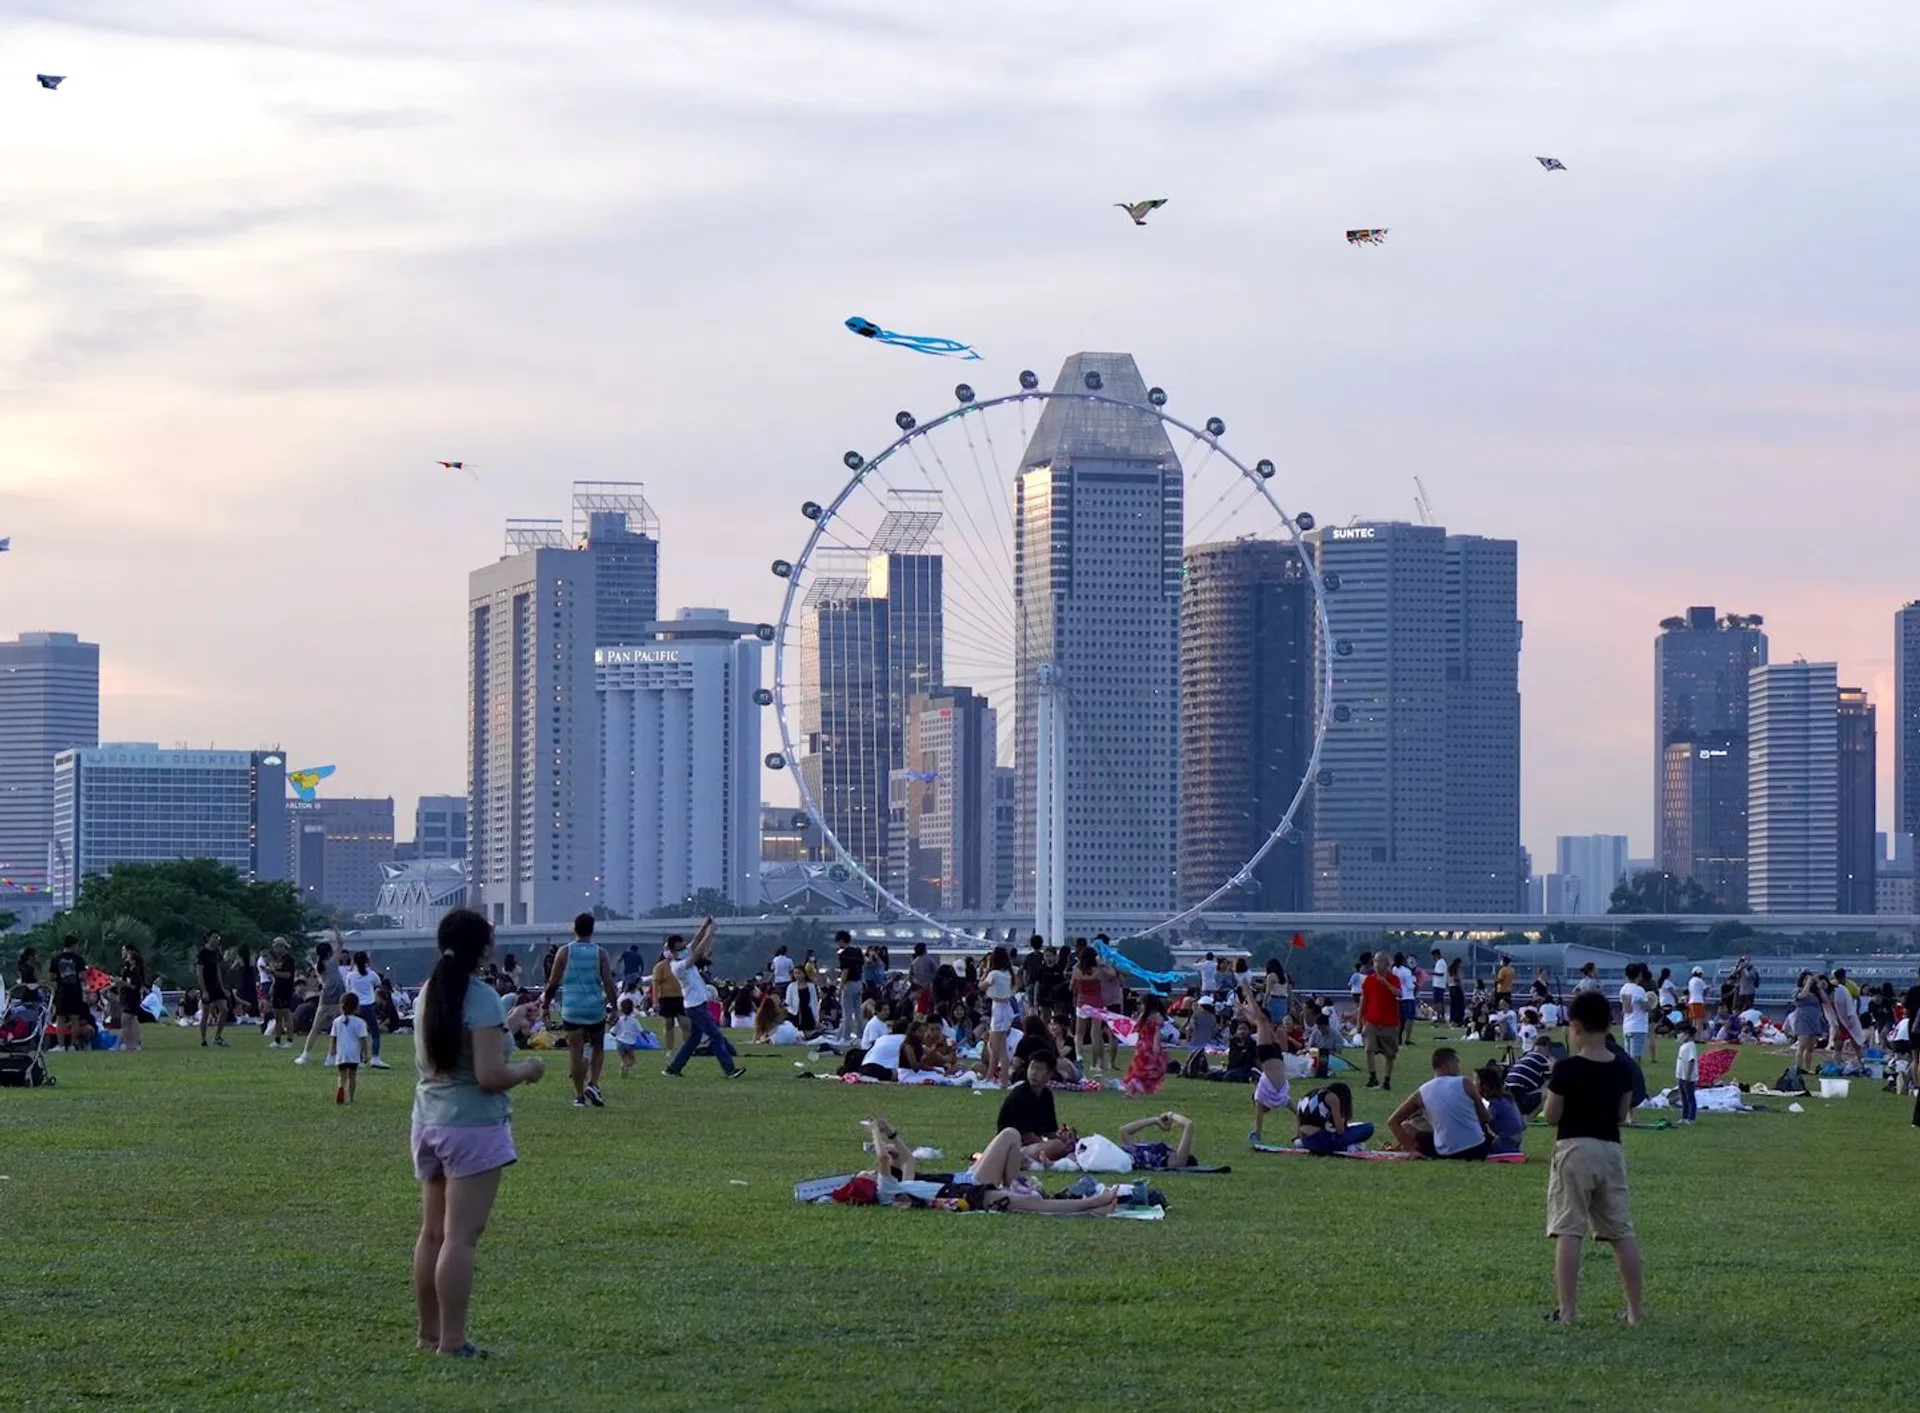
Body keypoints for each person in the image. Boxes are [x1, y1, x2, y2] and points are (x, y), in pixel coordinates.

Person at [411, 907, 545, 1357]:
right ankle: (453, 1341)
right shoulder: (481, 995)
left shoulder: (429, 991)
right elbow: (489, 1076)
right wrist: (527, 1069)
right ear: (484, 948)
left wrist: (509, 1022)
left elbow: (459, 1042)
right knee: (460, 1237)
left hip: (429, 1121)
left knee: (432, 1234)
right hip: (471, 1127)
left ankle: (428, 1333)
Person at [1543, 988, 1644, 1326]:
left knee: (1569, 1229)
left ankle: (1568, 1312)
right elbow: (1621, 1113)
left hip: (1573, 1149)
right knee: (1621, 1232)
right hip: (1610, 1150)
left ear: (1575, 1028)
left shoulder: (1566, 1068)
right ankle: (1635, 1311)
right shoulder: (1622, 1068)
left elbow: (1551, 1115)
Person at [544, 913, 617, 1109]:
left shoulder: (564, 952)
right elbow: (608, 983)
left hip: (572, 1009)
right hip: (594, 1009)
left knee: (575, 1052)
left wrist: (545, 1006)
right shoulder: (600, 953)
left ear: (574, 929)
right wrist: (615, 1007)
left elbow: (552, 982)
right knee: (597, 1047)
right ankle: (593, 1083)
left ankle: (579, 1096)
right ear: (592, 930)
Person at [661, 918, 745, 1079]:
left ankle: (673, 1069)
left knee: (694, 1039)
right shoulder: (677, 966)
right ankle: (729, 1069)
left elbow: (695, 942)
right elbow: (697, 953)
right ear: (674, 951)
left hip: (696, 1004)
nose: (686, 947)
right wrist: (710, 933)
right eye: (681, 946)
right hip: (695, 1006)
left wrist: (705, 926)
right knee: (716, 1035)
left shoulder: (681, 954)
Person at [1388, 1048, 1495, 1160]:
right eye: (1457, 1063)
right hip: (1478, 1149)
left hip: (1445, 1152)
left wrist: (1411, 1149)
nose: (1459, 1068)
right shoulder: (1465, 1082)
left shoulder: (1422, 1092)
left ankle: (1415, 1152)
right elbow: (1485, 1118)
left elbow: (1393, 1121)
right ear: (1446, 1065)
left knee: (1407, 1126)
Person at [995, 1051, 1076, 1162]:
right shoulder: (1020, 1095)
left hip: (1033, 1145)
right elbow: (1026, 1136)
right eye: (1032, 1067)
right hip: (1014, 1147)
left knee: (1067, 1144)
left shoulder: (1046, 1095)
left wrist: (1064, 1137)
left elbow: (1050, 1131)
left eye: (1039, 1069)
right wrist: (1051, 1144)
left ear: (1049, 1074)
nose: (1033, 1073)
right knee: (1056, 1147)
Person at [1240, 997, 1293, 1144]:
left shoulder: (1276, 1097)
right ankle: (1247, 998)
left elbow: (1259, 1118)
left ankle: (1247, 999)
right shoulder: (1267, 1096)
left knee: (1261, 1022)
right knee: (1261, 1022)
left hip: (1274, 1057)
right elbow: (1297, 1112)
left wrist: (1257, 1133)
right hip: (1272, 1056)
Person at [295, 937, 347, 1065]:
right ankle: (332, 1055)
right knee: (339, 1028)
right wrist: (335, 928)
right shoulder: (332, 962)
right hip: (338, 998)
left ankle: (305, 1054)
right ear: (329, 953)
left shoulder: (319, 966)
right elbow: (341, 942)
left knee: (315, 1028)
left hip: (325, 999)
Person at [342, 952, 392, 1070]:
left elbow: (348, 989)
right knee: (375, 1033)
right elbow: (378, 984)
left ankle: (358, 1059)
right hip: (369, 1006)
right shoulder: (371, 974)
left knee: (356, 1034)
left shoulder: (350, 975)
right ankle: (375, 1057)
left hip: (355, 1007)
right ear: (366, 962)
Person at [1359, 952, 1402, 1091]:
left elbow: (1399, 993)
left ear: (1387, 964)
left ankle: (1387, 1081)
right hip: (1371, 1021)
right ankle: (1372, 1077)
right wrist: (1359, 1021)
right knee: (1368, 1049)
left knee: (1390, 1054)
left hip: (1389, 1023)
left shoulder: (1394, 979)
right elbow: (1363, 1001)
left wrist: (1385, 983)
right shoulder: (1369, 980)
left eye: (1381, 961)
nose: (1377, 964)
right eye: (1376, 961)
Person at [1292, 1082, 1371, 1154]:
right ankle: (1348, 1146)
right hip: (1321, 1141)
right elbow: (1340, 1130)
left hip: (1305, 1140)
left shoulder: (1308, 1095)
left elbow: (1299, 1116)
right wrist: (1342, 1116)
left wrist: (1298, 1137)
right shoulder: (1332, 1097)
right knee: (1368, 1127)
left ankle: (1300, 1144)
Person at [1117, 1111, 1203, 1169]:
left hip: (1119, 1158)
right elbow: (1124, 1131)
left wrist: (1170, 1114)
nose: (1177, 1146)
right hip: (1117, 1153)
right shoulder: (1143, 1152)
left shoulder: (1178, 1162)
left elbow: (1189, 1124)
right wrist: (1155, 1120)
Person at [49, 936, 91, 1051]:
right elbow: (83, 976)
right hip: (75, 991)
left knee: (60, 1019)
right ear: (73, 945)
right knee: (75, 1019)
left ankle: (61, 1045)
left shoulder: (56, 959)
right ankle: (73, 1045)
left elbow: (51, 976)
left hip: (61, 992)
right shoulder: (79, 959)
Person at [982, 946, 1016, 1084]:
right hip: (1005, 1008)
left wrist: (985, 971)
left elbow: (981, 986)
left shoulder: (994, 974)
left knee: (1000, 1048)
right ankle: (989, 1077)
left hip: (999, 1010)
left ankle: (1003, 1080)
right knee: (995, 1047)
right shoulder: (1008, 973)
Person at [329, 993, 372, 1104]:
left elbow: (333, 1038)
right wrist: (366, 1054)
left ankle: (341, 1090)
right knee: (352, 1076)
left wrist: (332, 1052)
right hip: (354, 1054)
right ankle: (351, 1098)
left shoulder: (337, 1021)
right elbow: (363, 1040)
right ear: (356, 1006)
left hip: (341, 1053)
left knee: (342, 1076)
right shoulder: (360, 1022)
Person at [1122, 995, 1168, 1096]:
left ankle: (1133, 1089)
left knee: (1140, 1068)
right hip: (1148, 1047)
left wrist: (1139, 1045)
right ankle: (1134, 1088)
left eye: (1142, 1004)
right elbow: (1155, 1033)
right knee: (1149, 1068)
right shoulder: (1155, 1017)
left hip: (1144, 1046)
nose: (1140, 1006)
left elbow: (1152, 1032)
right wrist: (1156, 1046)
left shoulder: (1147, 1016)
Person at [1506, 1030, 1555, 1115]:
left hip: (1508, 1097)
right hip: (1521, 1098)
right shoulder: (1543, 1060)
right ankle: (1530, 1118)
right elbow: (1553, 1080)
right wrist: (1553, 1063)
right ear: (1547, 1047)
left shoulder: (1525, 1056)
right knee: (1550, 1093)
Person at [1480, 1063, 1525, 1155]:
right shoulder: (1507, 1098)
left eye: (1475, 1081)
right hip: (1516, 1139)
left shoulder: (1495, 1102)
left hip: (1505, 1140)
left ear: (1484, 1085)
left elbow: (1485, 1119)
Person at [197, 931, 230, 1048]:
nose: (216, 940)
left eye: (218, 938)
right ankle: (203, 1039)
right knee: (205, 1014)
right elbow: (199, 973)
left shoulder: (216, 952)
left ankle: (217, 1037)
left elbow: (218, 970)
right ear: (208, 938)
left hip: (216, 986)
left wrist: (222, 986)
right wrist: (204, 990)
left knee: (224, 1009)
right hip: (207, 986)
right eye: (214, 938)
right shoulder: (202, 953)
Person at [267, 940, 298, 1049]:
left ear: (282, 946)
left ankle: (289, 1040)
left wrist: (273, 972)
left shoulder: (289, 959)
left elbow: (287, 975)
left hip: (286, 990)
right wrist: (273, 986)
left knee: (286, 1014)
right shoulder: (279, 959)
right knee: (277, 1015)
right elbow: (277, 976)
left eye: (276, 947)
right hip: (278, 989)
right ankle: (277, 1040)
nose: (275, 949)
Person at [117, 942, 147, 1053]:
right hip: (128, 996)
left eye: (124, 950)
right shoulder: (129, 968)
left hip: (131, 997)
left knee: (127, 1021)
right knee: (131, 1020)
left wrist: (123, 983)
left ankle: (129, 1044)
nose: (122, 953)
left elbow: (133, 985)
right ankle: (133, 1043)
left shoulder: (135, 970)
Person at [1618, 964, 1651, 1065]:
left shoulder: (1623, 989)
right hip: (1638, 1026)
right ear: (1639, 975)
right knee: (1635, 1059)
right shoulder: (1639, 990)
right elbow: (1646, 1007)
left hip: (1627, 1025)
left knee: (1628, 1058)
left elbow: (1625, 1008)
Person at [610, 997, 647, 1078]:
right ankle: (626, 1067)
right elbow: (642, 1032)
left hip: (620, 1042)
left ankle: (623, 1070)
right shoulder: (634, 1020)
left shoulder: (619, 1020)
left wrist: (616, 1035)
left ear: (621, 1009)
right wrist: (646, 1039)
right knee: (632, 1060)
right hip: (630, 1043)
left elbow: (613, 1032)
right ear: (632, 1009)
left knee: (623, 1059)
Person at [1673, 1022, 1699, 1125]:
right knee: (1683, 1097)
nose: (1679, 1035)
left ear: (1687, 1033)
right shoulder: (1684, 1045)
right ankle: (1684, 1117)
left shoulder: (1690, 1046)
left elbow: (1691, 1061)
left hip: (1688, 1077)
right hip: (1681, 1076)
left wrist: (1688, 1075)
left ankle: (1691, 1118)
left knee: (1690, 1098)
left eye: (1680, 1032)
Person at [1392, 953, 1418, 1045]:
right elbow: (1410, 986)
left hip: (1398, 997)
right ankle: (1407, 1038)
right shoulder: (1407, 971)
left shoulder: (1394, 969)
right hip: (1408, 997)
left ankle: (1398, 1037)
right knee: (1409, 1019)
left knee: (1400, 1019)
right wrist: (1415, 983)